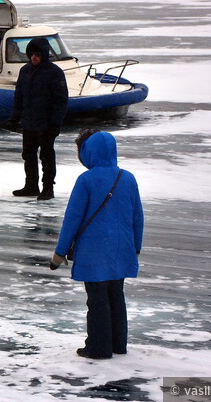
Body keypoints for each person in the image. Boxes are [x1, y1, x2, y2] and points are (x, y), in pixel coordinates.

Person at [50, 129, 144, 359]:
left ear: (88, 152)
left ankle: (98, 348)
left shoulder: (86, 180)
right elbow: (137, 217)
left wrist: (60, 252)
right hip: (122, 250)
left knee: (97, 300)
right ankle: (117, 344)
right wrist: (136, 246)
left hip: (94, 252)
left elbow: (73, 218)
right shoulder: (127, 177)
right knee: (116, 296)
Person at [9, 37, 68, 200]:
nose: (34, 57)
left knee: (47, 157)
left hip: (46, 124)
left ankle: (48, 188)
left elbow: (61, 100)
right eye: (31, 54)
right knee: (28, 154)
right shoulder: (25, 70)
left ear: (43, 54)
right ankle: (31, 186)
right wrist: (15, 118)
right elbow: (18, 96)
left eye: (37, 54)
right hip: (29, 122)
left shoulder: (54, 73)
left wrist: (55, 124)